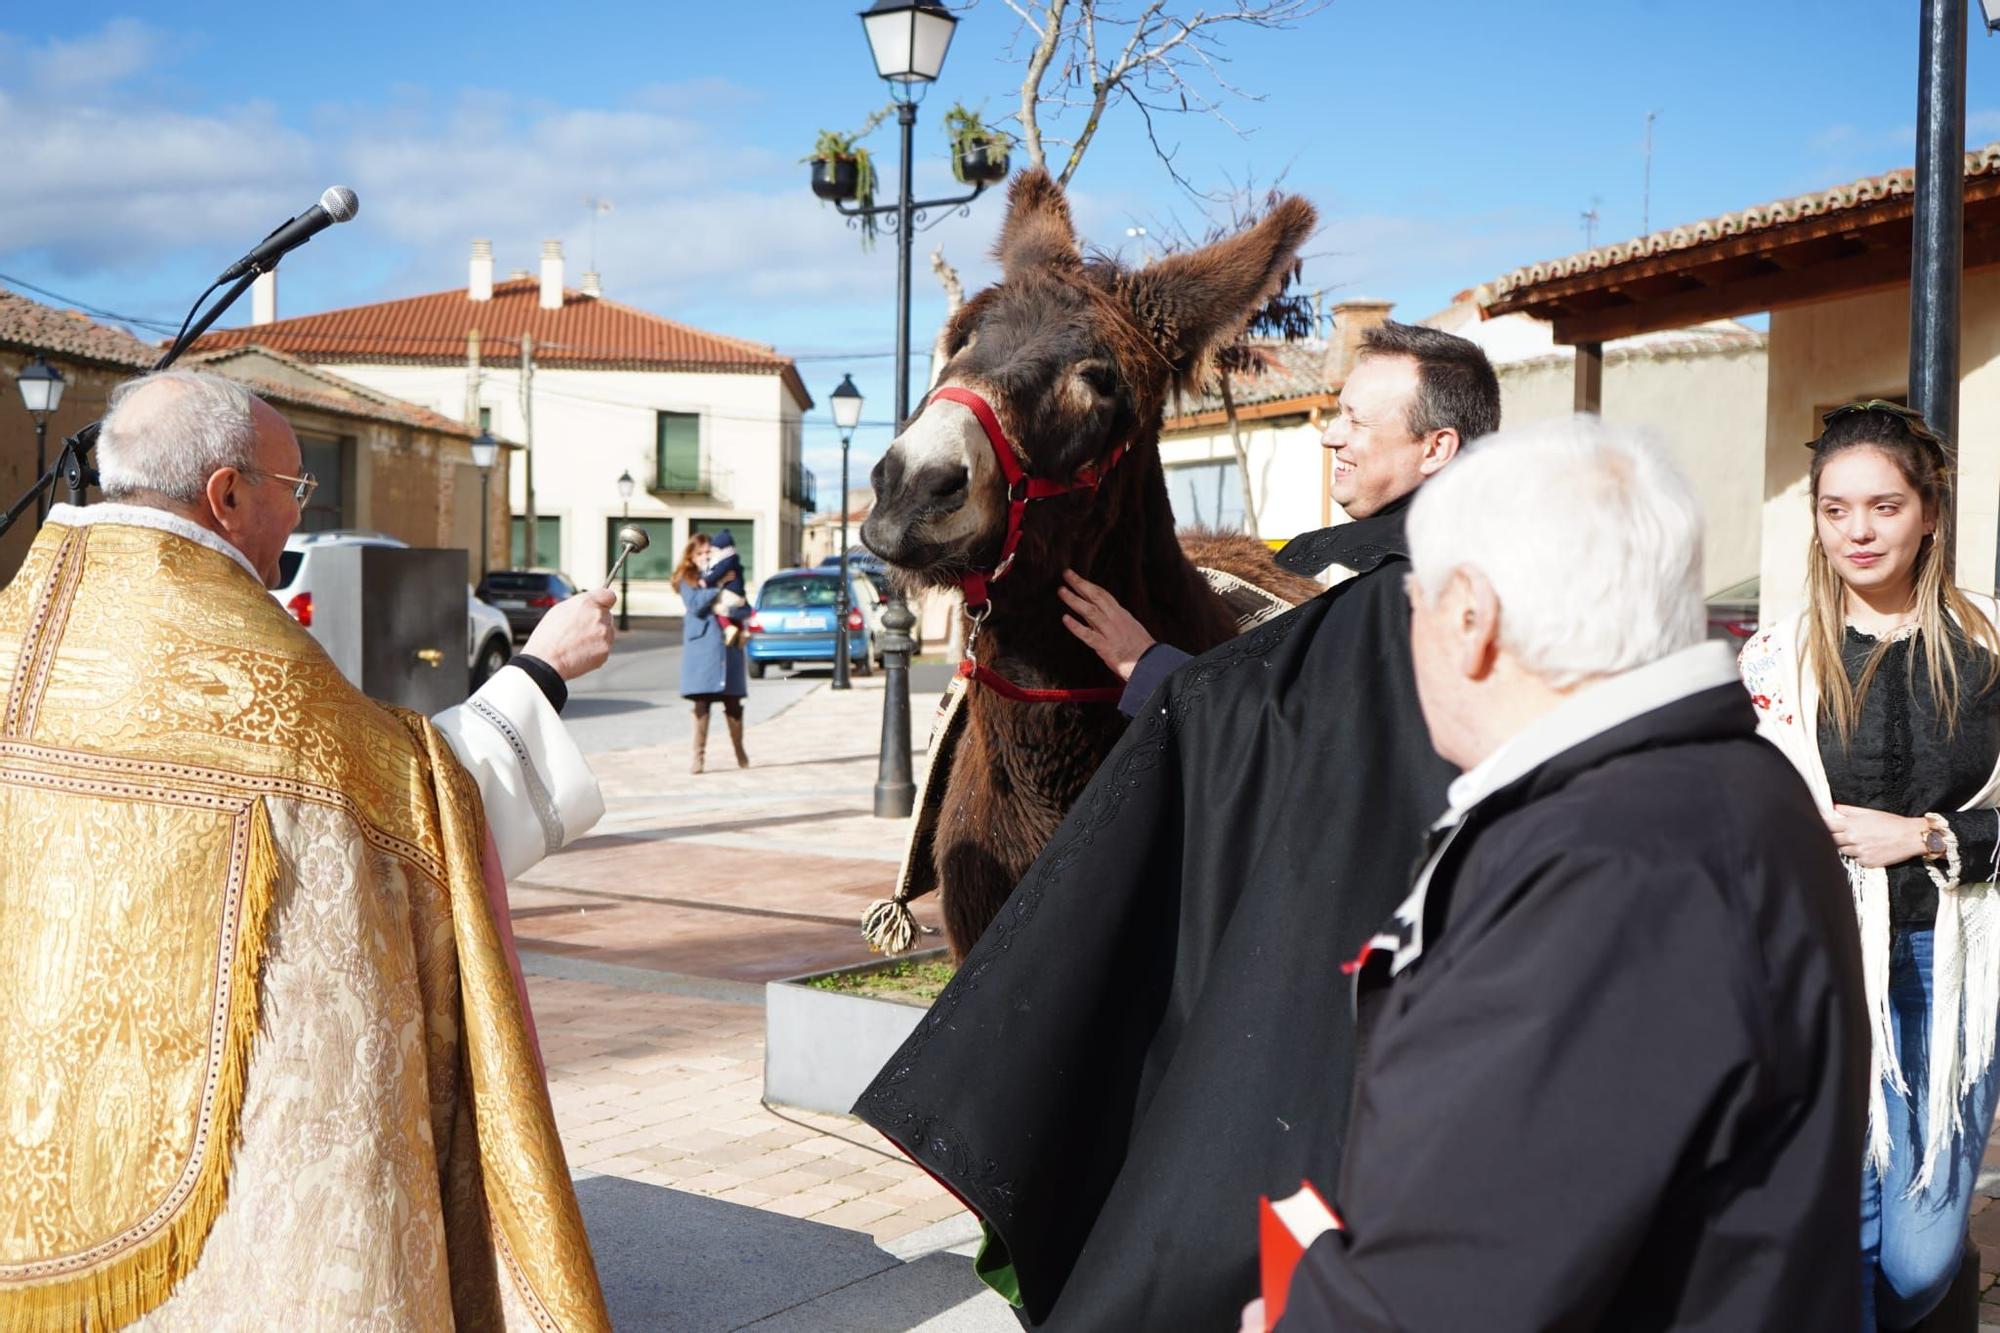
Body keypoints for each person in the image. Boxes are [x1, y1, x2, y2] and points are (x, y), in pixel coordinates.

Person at [854, 322, 1499, 1330]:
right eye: (1331, 415)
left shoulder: (1420, 593)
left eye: (1355, 421)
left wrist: (1161, 678)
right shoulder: (1384, 572)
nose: (1331, 437)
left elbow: (1318, 748)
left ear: (1436, 450)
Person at [0, 371, 612, 1329]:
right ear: (227, 494)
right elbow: (418, 797)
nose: (297, 513)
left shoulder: (22, 620)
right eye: (295, 488)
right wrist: (541, 668)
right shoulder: (248, 670)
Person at [1255, 415, 1866, 1332]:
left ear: (1470, 618)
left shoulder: (1613, 865)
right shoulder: (1717, 784)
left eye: (1412, 604)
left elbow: (1453, 1292)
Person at [1738, 401, 2000, 1330]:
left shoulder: (1989, 648)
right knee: (1837, 1229)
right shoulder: (1775, 660)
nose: (1857, 530)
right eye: (1834, 507)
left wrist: (1931, 838)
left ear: (1930, 511)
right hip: (1822, 972)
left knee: (1921, 1257)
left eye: (1884, 507)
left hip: (1951, 972)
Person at [674, 534, 750, 772]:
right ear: (691, 556)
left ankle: (740, 751)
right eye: (700, 553)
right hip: (703, 649)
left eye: (708, 552)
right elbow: (695, 605)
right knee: (702, 703)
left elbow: (744, 606)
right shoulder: (687, 579)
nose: (705, 556)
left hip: (729, 649)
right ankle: (698, 757)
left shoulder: (727, 573)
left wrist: (733, 609)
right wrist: (717, 586)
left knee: (733, 704)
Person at [701, 526, 751, 648]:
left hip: (730, 593)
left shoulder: (726, 561)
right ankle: (743, 632)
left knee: (717, 608)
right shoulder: (735, 560)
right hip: (739, 595)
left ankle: (728, 628)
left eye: (714, 550)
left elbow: (717, 573)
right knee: (733, 615)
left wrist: (706, 581)